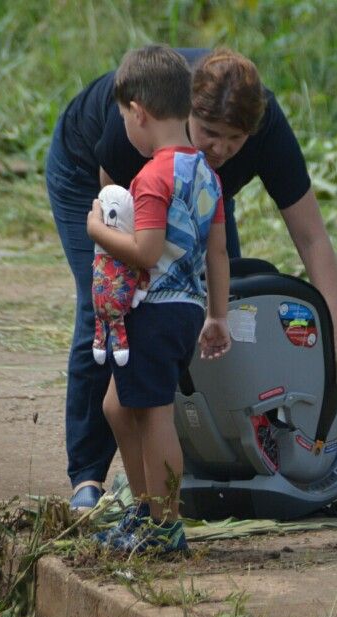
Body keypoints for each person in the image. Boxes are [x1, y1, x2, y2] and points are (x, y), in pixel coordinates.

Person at [46, 47, 337, 511]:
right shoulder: (134, 127)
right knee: (112, 309)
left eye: (235, 141)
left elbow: (312, 237)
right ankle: (89, 477)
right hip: (99, 183)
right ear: (184, 112)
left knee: (224, 309)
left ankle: (212, 455)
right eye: (210, 134)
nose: (220, 149)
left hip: (195, 188)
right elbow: (124, 242)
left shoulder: (261, 132)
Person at [85, 44, 230, 552]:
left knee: (154, 412)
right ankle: (146, 508)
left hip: (155, 308)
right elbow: (218, 254)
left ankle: (164, 526)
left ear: (138, 112)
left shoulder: (153, 176)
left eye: (125, 117)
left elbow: (144, 252)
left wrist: (97, 230)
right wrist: (217, 315)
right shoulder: (207, 175)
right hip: (187, 309)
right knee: (117, 406)